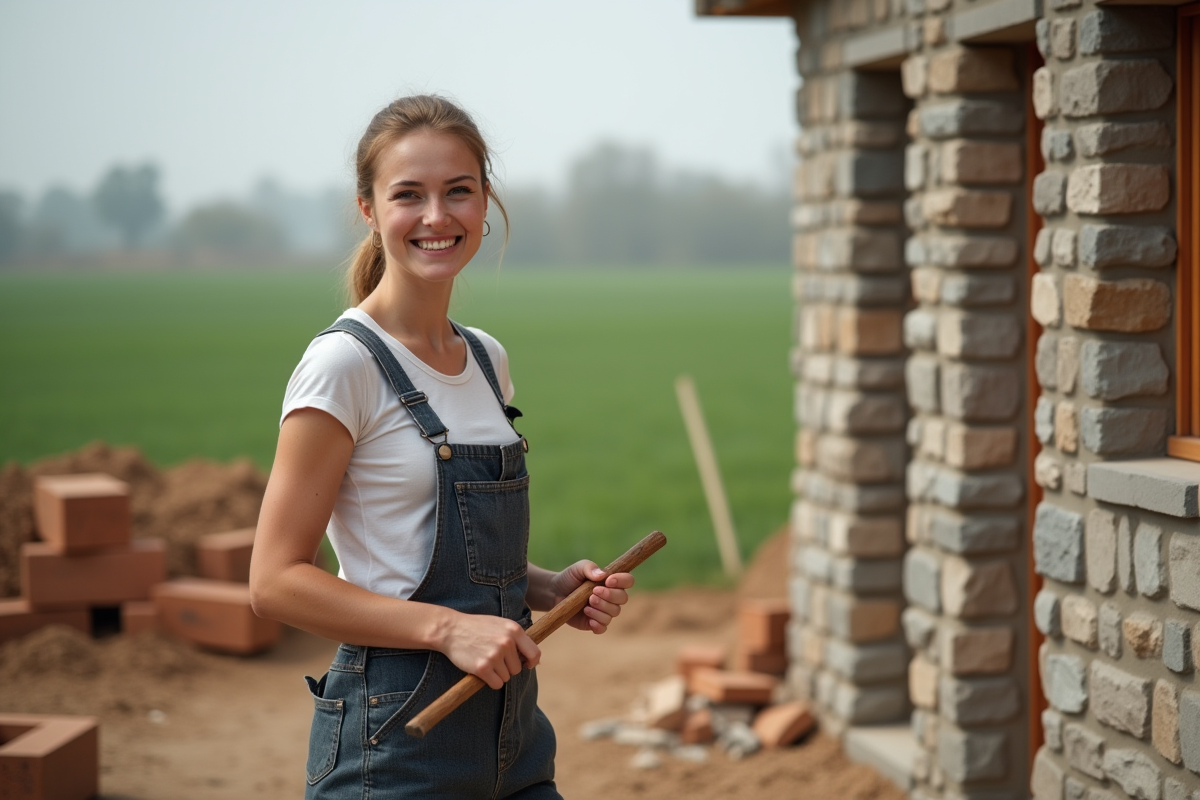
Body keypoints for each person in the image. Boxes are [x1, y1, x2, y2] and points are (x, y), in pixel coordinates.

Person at [249, 94, 635, 799]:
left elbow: (438, 549)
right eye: (409, 195)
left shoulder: (487, 358)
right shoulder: (344, 366)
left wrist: (546, 587)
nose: (437, 216)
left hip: (515, 736)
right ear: (368, 209)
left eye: (459, 190)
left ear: (485, 201)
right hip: (396, 738)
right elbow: (273, 580)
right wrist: (448, 630)